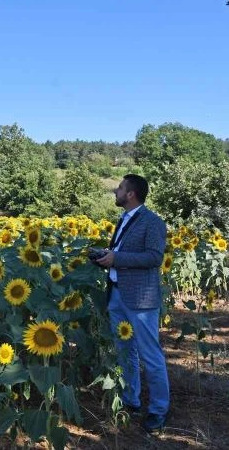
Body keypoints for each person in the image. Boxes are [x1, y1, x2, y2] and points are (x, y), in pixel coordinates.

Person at [94, 174, 169, 433]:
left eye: (120, 188)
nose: (116, 191)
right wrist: (106, 255)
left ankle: (159, 410)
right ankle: (131, 399)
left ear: (131, 194)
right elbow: (123, 253)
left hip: (141, 299)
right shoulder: (124, 219)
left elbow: (154, 257)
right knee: (126, 351)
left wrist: (117, 258)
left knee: (150, 354)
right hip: (117, 294)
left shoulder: (153, 222)